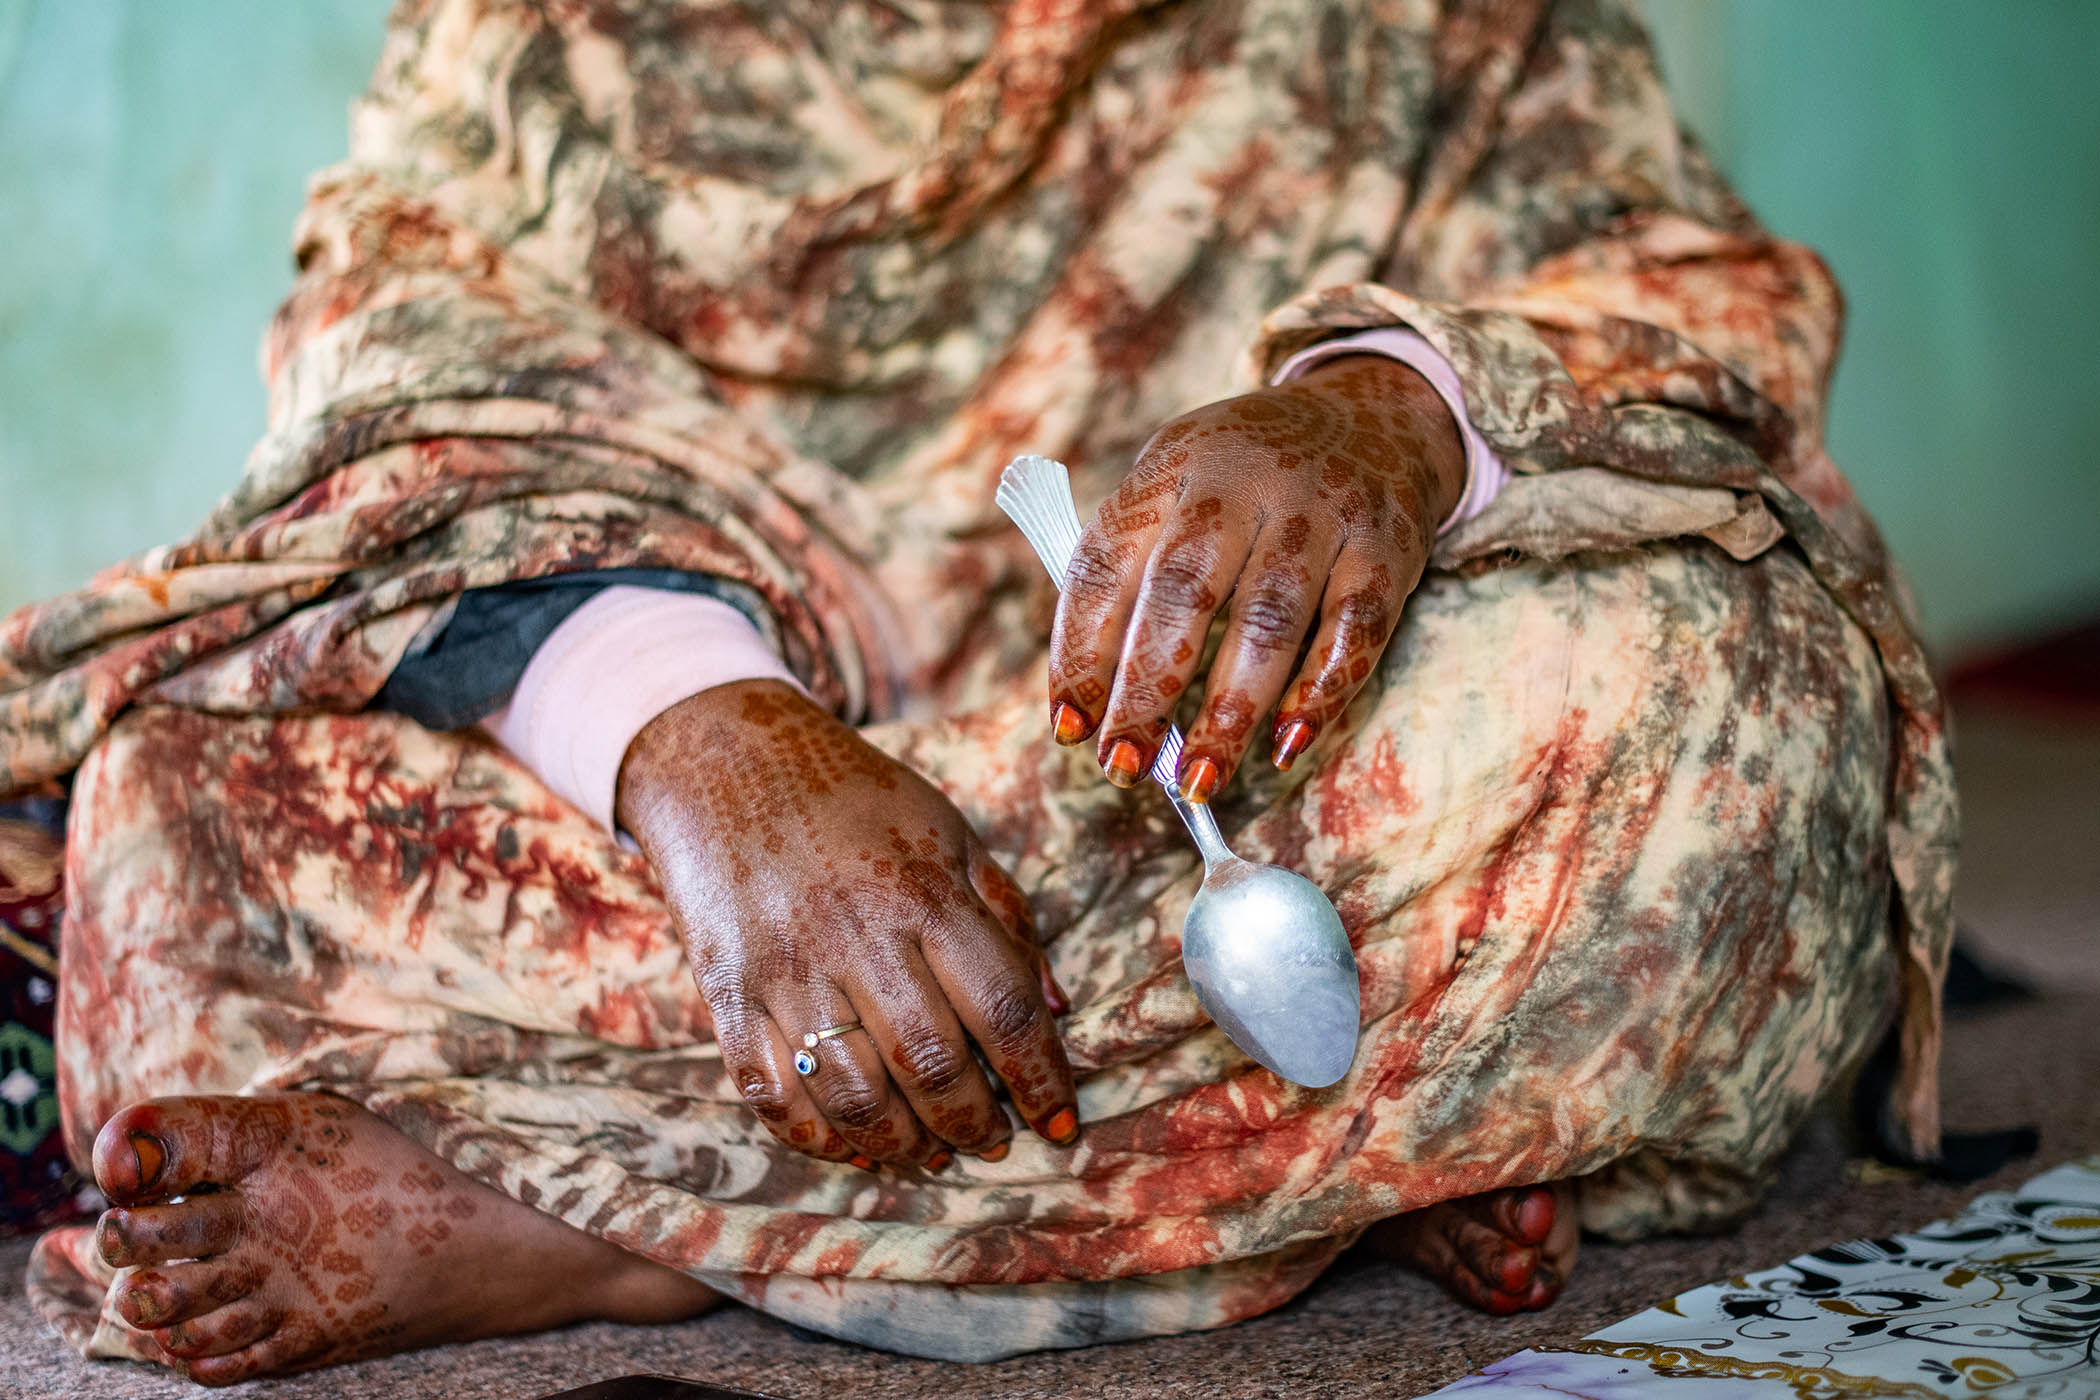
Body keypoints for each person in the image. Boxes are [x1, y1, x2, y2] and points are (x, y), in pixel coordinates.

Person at [0, 0, 1955, 1386]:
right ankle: (1301, 1161)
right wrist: (704, 744)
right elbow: (401, 367)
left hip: (1261, 770)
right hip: (721, 768)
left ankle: (619, 1213)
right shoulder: (553, 31)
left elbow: (1682, 285)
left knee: (1735, 701)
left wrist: (1394, 414)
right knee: (176, 799)